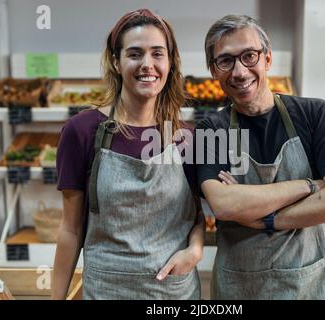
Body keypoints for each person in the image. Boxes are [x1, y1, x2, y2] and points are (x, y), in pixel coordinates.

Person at [196, 14, 325, 300]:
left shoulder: (315, 115)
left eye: (249, 56)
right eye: (225, 61)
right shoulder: (211, 129)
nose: (239, 71)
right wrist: (310, 186)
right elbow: (223, 205)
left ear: (268, 60)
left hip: (309, 283)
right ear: (214, 70)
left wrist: (265, 219)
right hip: (240, 286)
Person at [52, 9, 204, 300]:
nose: (148, 64)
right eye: (135, 54)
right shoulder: (82, 131)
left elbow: (195, 215)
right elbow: (70, 229)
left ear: (170, 63)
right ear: (116, 61)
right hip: (107, 290)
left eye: (158, 54)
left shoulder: (185, 138)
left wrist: (195, 250)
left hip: (172, 293)